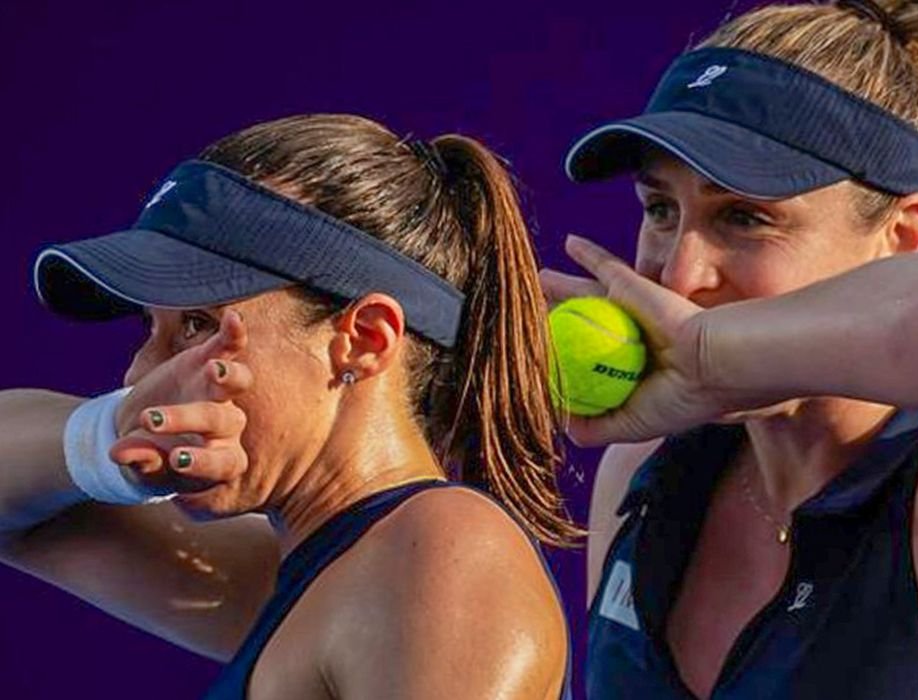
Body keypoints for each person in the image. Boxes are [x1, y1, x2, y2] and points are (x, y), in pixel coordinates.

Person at [543, 1, 918, 698]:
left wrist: (709, 355)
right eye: (660, 210)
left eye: (744, 217)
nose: (678, 275)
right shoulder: (644, 470)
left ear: (902, 239)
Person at [0, 114, 575, 699]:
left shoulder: (441, 552)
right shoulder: (295, 570)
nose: (141, 374)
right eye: (150, 326)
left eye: (197, 324)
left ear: (365, 339)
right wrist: (107, 435)